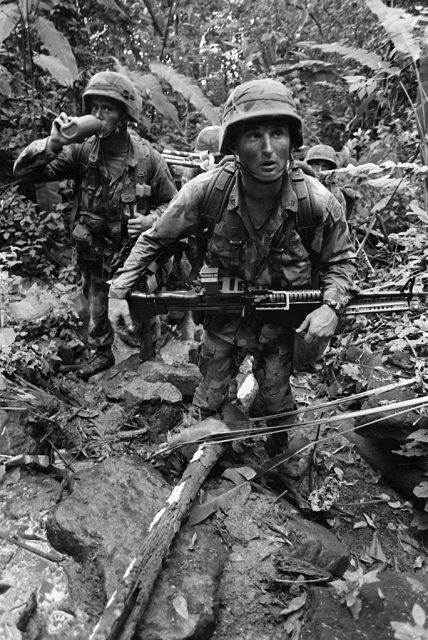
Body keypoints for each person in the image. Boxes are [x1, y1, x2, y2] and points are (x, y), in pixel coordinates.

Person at [108, 78, 357, 455]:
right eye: (255, 136)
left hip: (280, 323)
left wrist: (331, 307)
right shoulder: (207, 191)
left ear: (293, 139)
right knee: (207, 400)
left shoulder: (316, 202)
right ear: (235, 145)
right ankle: (198, 456)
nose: (269, 149)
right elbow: (154, 239)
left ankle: (282, 463)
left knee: (277, 406)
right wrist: (118, 291)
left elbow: (342, 262)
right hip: (223, 319)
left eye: (278, 133)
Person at [13, 71, 177, 380]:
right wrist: (53, 143)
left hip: (134, 256)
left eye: (108, 109)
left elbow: (176, 205)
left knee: (144, 310)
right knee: (97, 307)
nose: (99, 116)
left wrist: (151, 219)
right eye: (95, 108)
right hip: (96, 252)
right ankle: (101, 354)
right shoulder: (81, 151)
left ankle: (150, 360)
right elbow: (24, 172)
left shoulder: (147, 159)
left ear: (125, 116)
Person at [305, 144, 356, 218]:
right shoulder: (298, 185)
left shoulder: (335, 193)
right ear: (308, 165)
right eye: (316, 164)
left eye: (324, 166)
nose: (320, 169)